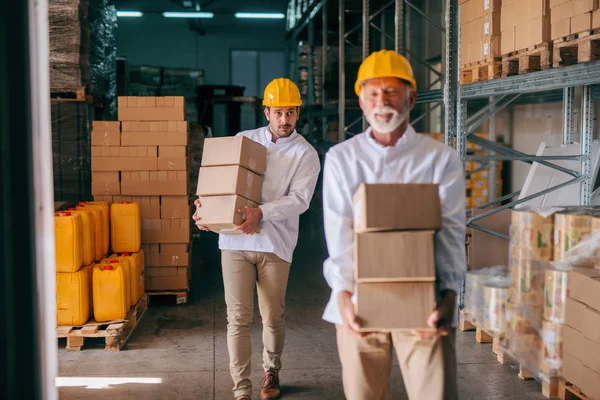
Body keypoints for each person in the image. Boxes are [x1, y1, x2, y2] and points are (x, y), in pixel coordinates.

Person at [321, 50, 466, 400]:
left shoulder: (439, 159)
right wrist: (344, 296)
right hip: (359, 303)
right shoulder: (343, 158)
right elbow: (338, 233)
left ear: (412, 98)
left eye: (392, 92)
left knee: (436, 394)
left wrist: (449, 296)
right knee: (363, 395)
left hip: (425, 302)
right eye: (373, 93)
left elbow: (450, 231)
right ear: (361, 100)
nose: (381, 102)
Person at [194, 78, 321, 400]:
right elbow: (219, 179)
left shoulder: (305, 154)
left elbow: (300, 200)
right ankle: (241, 388)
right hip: (235, 242)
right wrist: (206, 206)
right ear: (266, 112)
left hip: (274, 245)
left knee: (272, 316)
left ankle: (271, 371)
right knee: (236, 318)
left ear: (297, 113)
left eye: (290, 112)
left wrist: (260, 213)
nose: (284, 120)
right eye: (278, 112)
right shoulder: (243, 140)